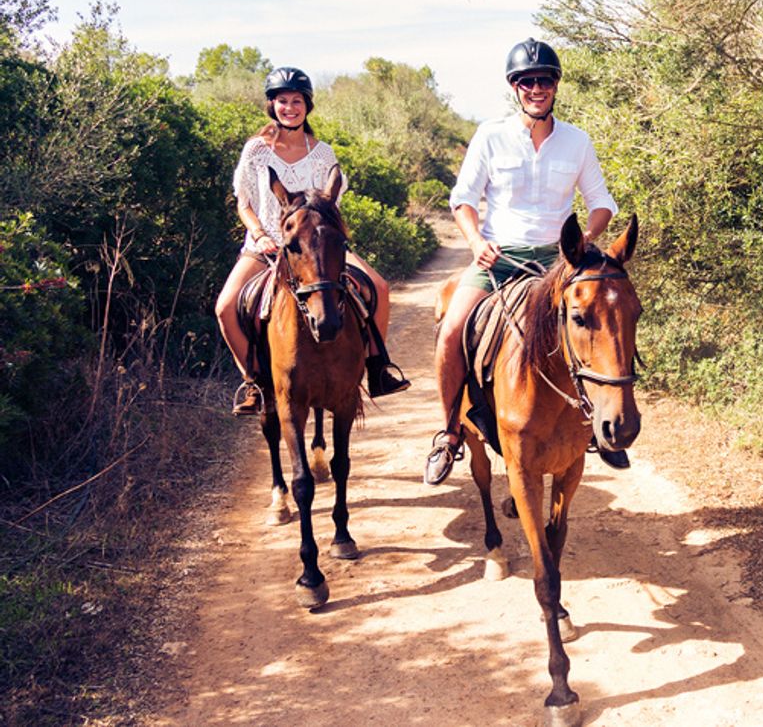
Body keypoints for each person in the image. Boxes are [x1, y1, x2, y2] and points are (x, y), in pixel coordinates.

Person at [424, 37, 627, 486]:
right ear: (514, 87)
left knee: (602, 327)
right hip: (498, 257)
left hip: (558, 265)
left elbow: (602, 202)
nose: (537, 88)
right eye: (528, 81)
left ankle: (598, 427)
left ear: (555, 86)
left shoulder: (576, 141)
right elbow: (463, 200)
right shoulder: (490, 136)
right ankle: (449, 433)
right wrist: (476, 241)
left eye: (545, 81)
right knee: (452, 333)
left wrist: (584, 240)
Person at [215, 66, 410, 416]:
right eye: (282, 101)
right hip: (267, 246)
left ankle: (377, 367)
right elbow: (243, 203)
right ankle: (254, 380)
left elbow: (331, 206)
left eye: (297, 101)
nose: (290, 108)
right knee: (225, 307)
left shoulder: (323, 153)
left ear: (308, 106)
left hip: (318, 247)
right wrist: (259, 235)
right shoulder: (256, 151)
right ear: (272, 106)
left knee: (379, 287)